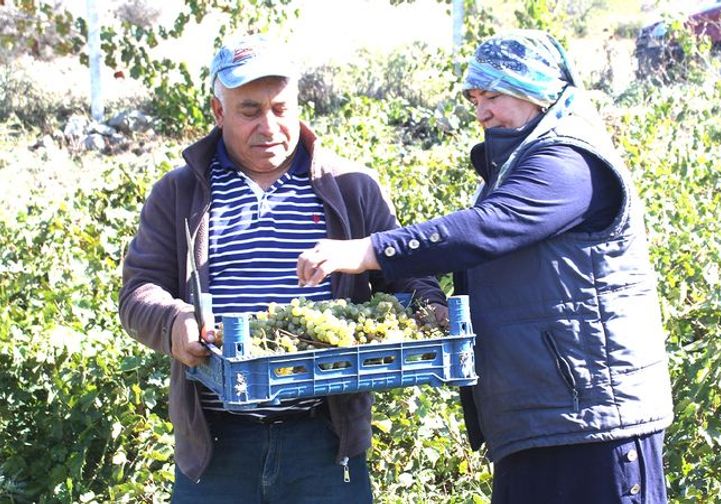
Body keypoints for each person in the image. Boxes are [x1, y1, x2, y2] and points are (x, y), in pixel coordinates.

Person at [297, 30, 674, 503]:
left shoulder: (570, 161)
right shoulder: (519, 162)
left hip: (592, 423)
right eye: (475, 98)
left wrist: (370, 250)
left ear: (536, 91)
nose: (481, 112)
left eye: (493, 95)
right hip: (540, 418)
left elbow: (488, 228)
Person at [118, 34, 445, 503]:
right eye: (250, 111)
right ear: (218, 111)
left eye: (281, 108)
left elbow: (408, 275)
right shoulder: (178, 193)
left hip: (325, 444)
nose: (269, 126)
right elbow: (138, 292)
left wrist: (425, 307)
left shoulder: (350, 186)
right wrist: (174, 321)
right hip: (215, 447)